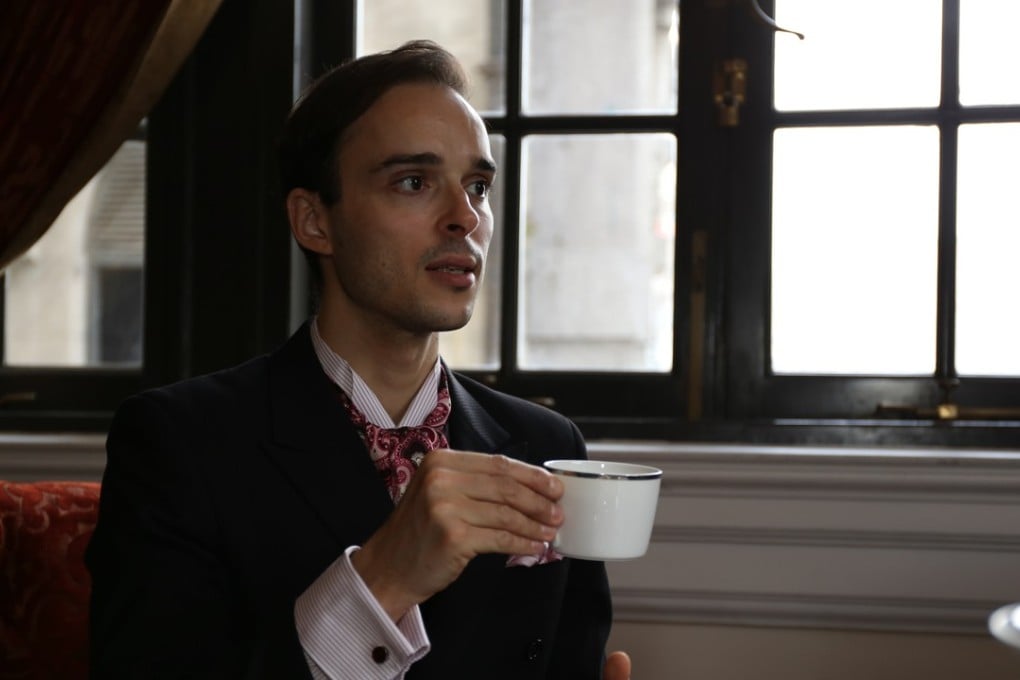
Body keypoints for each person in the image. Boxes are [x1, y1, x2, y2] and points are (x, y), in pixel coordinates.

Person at [86, 40, 631, 679]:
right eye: (414, 182)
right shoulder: (179, 442)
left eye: (478, 186)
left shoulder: (547, 445)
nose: (465, 217)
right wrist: (382, 580)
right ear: (314, 222)